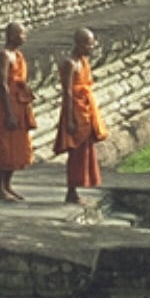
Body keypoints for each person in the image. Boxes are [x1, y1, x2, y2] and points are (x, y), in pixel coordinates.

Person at [54, 28, 107, 203]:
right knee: (75, 153)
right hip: (74, 111)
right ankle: (71, 191)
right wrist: (69, 119)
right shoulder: (70, 63)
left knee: (85, 152)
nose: (92, 48)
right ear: (79, 43)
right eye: (89, 44)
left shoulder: (83, 61)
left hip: (85, 109)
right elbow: (67, 92)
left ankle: (76, 189)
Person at [0, 22, 36, 201]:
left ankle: (7, 185)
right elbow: (3, 84)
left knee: (17, 148)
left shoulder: (18, 55)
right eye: (22, 34)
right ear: (12, 35)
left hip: (19, 102)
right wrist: (9, 112)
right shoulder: (3, 55)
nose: (24, 37)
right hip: (6, 104)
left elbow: (19, 80)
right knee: (5, 148)